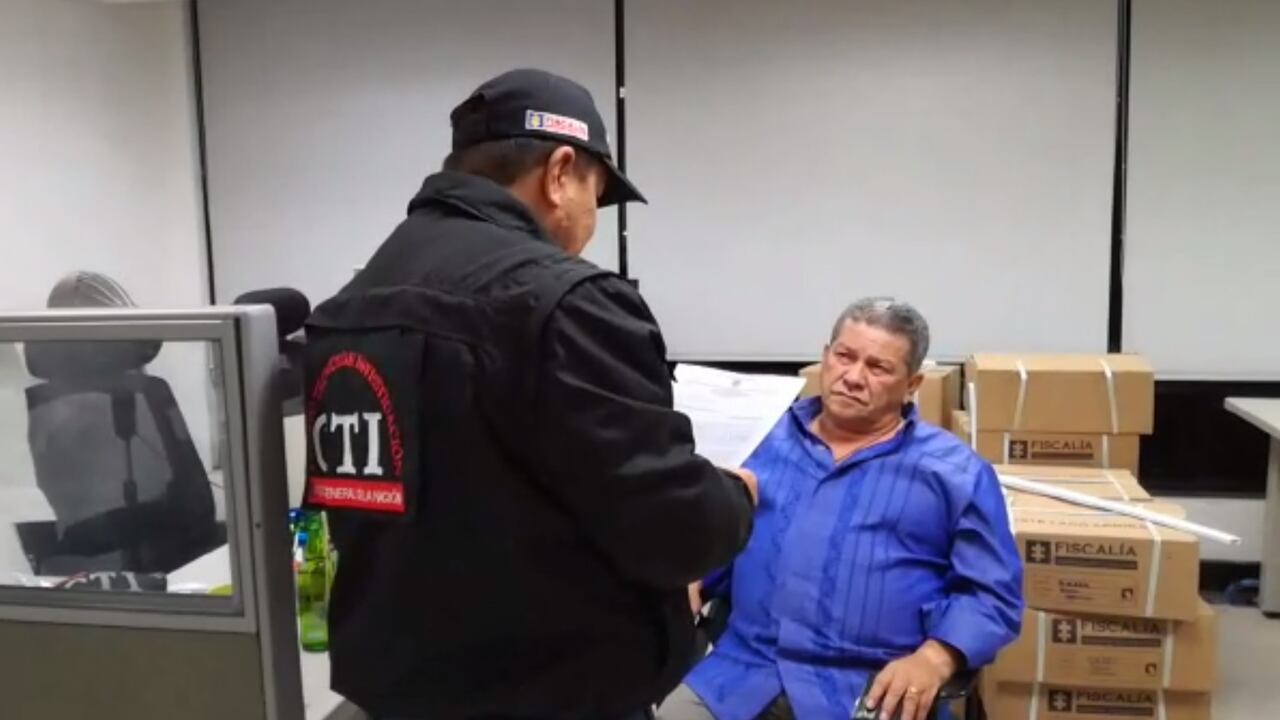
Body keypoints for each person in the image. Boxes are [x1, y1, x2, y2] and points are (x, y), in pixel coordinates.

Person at [301, 68, 758, 720]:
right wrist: (733, 496)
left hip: (395, 691)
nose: (590, 223)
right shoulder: (565, 302)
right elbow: (675, 534)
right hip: (550, 692)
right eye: (597, 196)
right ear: (560, 172)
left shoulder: (349, 307)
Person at [659, 298, 1023, 720]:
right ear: (825, 355)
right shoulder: (762, 441)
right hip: (743, 673)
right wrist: (691, 573)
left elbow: (992, 594)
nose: (853, 377)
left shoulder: (955, 473)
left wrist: (935, 659)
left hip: (869, 688)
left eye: (878, 367)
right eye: (844, 356)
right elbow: (716, 535)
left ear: (913, 384)